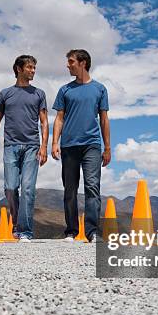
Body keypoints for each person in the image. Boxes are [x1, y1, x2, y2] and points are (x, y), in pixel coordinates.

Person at [0, 55, 49, 242]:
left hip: (32, 146)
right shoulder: (6, 94)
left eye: (34, 68)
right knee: (10, 188)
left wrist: (44, 146)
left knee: (28, 188)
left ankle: (25, 232)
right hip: (10, 146)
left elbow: (44, 122)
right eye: (29, 67)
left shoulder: (39, 94)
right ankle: (16, 222)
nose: (33, 71)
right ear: (19, 69)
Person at [51, 49, 111, 242]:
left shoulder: (100, 89)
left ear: (83, 63)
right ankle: (71, 231)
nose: (68, 65)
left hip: (92, 145)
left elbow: (104, 119)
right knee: (70, 189)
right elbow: (59, 118)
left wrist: (107, 148)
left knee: (92, 187)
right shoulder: (65, 90)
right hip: (68, 145)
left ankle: (92, 232)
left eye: (71, 62)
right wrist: (54, 142)